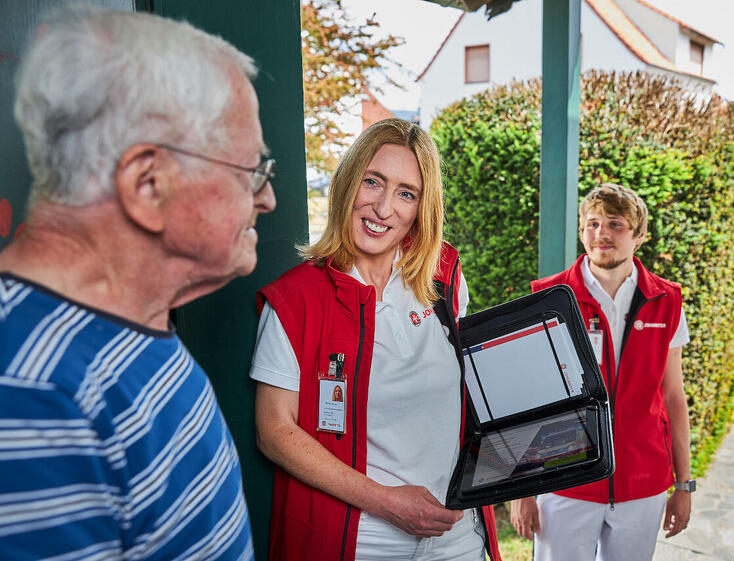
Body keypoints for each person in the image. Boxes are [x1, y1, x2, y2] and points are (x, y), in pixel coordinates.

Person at [0, 7, 276, 560]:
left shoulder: (132, 321)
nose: (267, 199)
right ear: (148, 185)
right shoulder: (32, 400)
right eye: (253, 172)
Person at [250, 118, 501, 561]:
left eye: (407, 193)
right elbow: (274, 431)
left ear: (422, 208)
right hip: (361, 541)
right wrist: (387, 502)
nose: (384, 208)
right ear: (348, 184)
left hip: (457, 535)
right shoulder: (293, 300)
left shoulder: (443, 278)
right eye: (373, 182)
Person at [510, 183, 693, 561]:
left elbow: (674, 396)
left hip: (642, 484)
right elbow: (530, 397)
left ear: (640, 235)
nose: (601, 233)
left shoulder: (666, 301)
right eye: (592, 223)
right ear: (581, 232)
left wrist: (684, 485)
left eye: (615, 223)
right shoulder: (551, 296)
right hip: (566, 481)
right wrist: (523, 489)